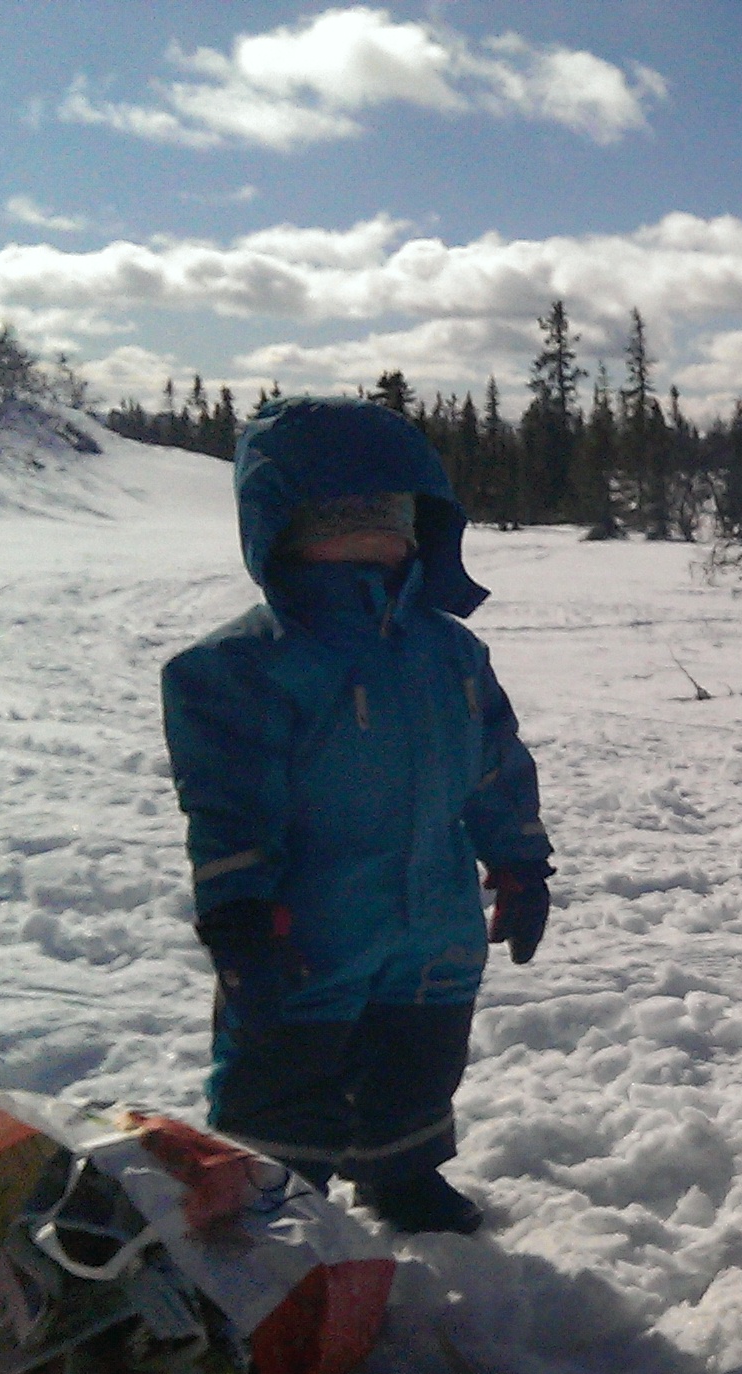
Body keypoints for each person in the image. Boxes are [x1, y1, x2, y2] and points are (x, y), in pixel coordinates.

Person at [161, 396, 553, 1236]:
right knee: (286, 1071)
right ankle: (268, 1206)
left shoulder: (450, 651)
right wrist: (239, 912)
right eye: (341, 517)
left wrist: (521, 862)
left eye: (391, 515)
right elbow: (228, 803)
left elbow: (495, 763)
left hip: (434, 918)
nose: (372, 535)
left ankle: (402, 1172)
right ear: (281, 528)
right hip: (311, 925)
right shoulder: (242, 665)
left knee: (420, 1058)